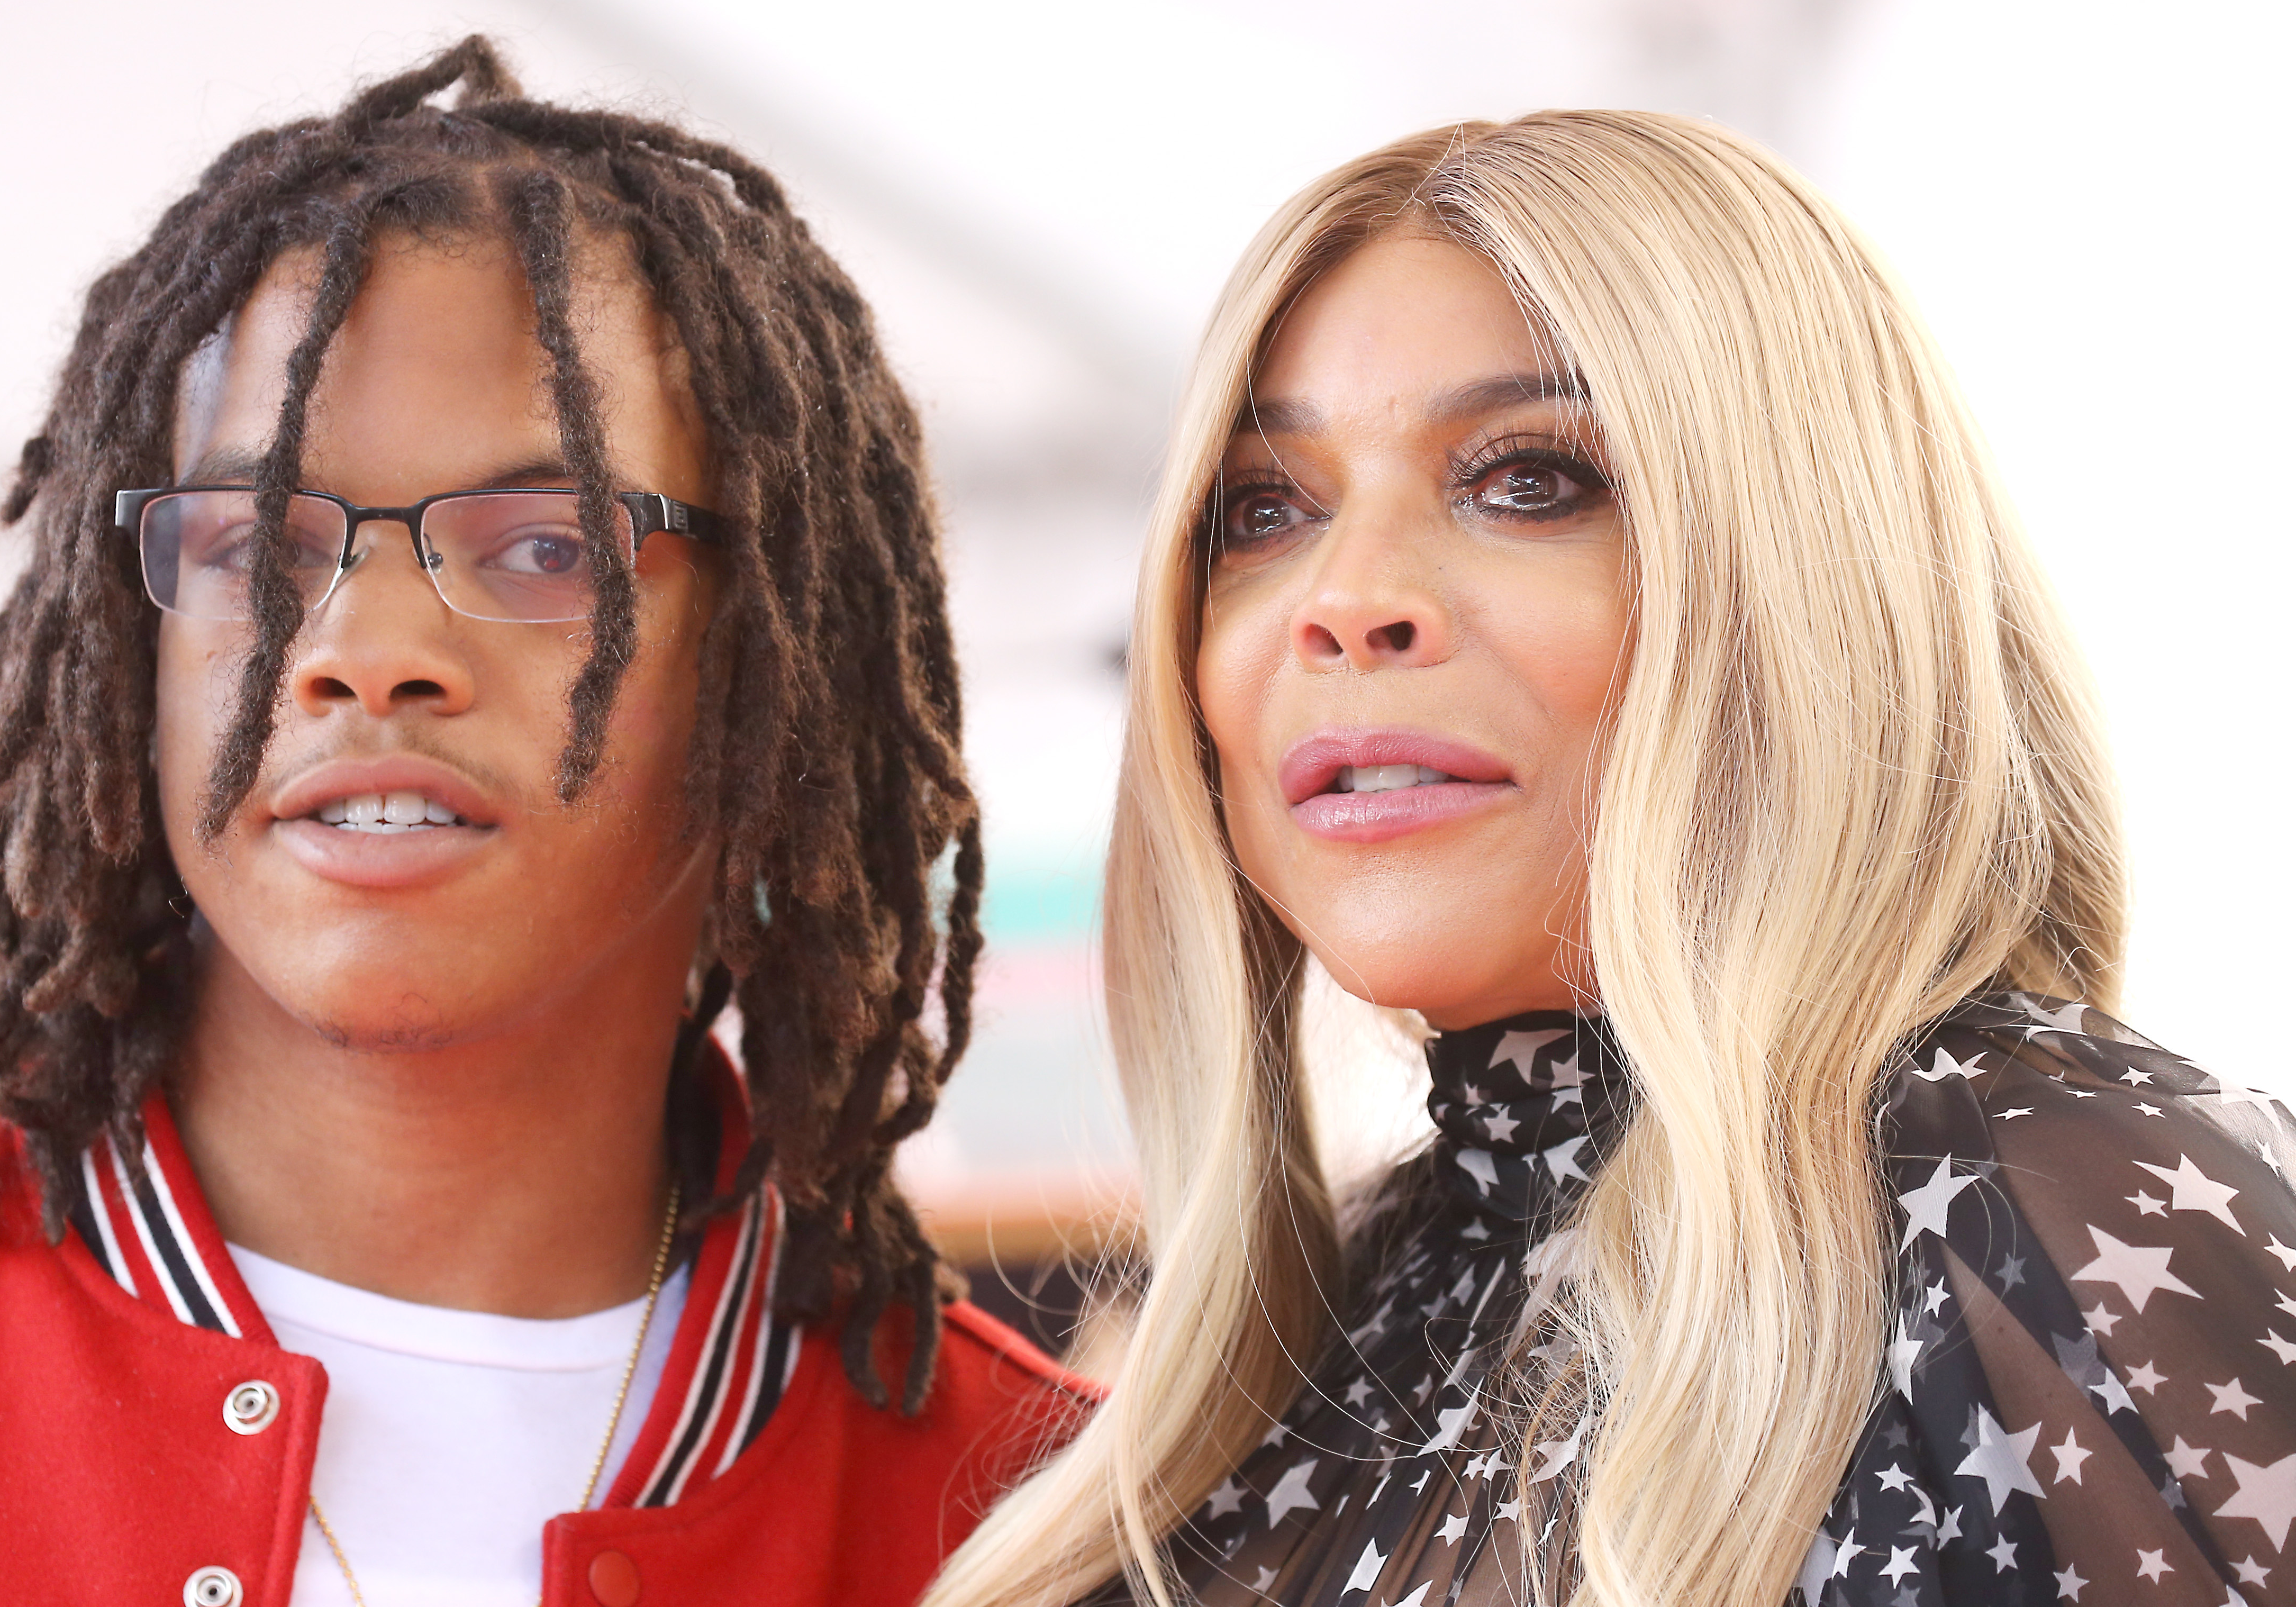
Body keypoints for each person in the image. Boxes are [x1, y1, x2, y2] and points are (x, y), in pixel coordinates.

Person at [0, 38, 1087, 1607]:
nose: (366, 647)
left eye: (548, 550)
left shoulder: (1058, 1533)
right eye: (251, 545)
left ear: (775, 653)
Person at [925, 113, 2296, 1607]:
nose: (1347, 598)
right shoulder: (1321, 1327)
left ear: (1813, 575)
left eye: (1528, 479)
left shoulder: (2051, 1208)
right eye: (1268, 510)